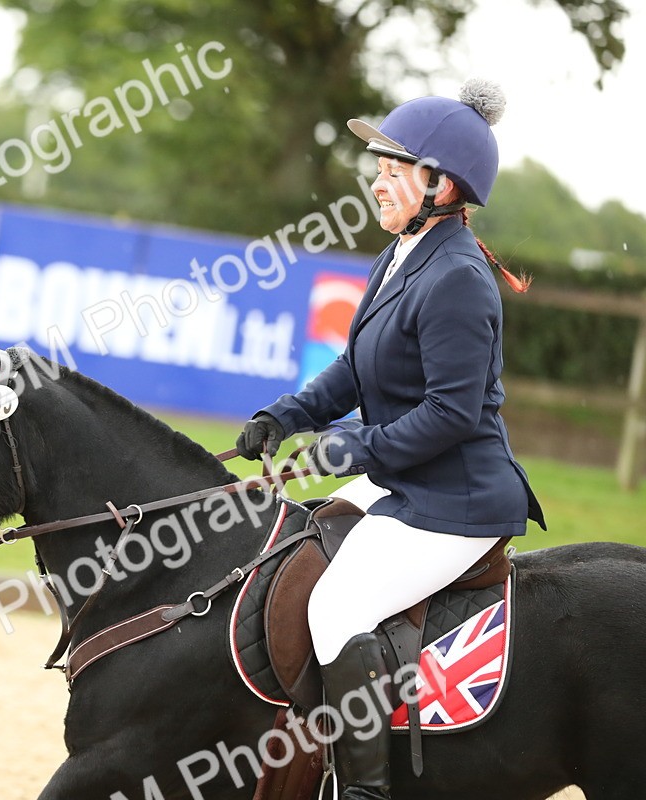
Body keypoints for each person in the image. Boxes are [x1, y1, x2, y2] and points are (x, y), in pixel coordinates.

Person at [236, 79, 546, 799]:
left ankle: (364, 790)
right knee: (300, 548)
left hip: (456, 499)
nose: (376, 180)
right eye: (377, 166)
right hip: (408, 479)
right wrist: (288, 415)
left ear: (440, 182)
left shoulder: (460, 278)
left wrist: (353, 449)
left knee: (335, 606)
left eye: (391, 167)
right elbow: (356, 367)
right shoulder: (404, 254)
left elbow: (452, 414)